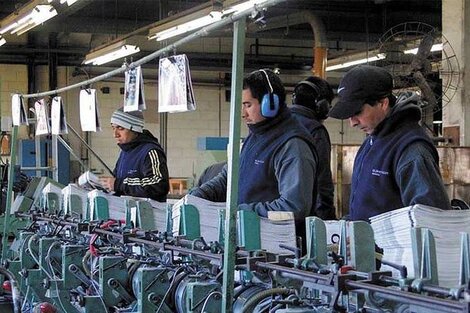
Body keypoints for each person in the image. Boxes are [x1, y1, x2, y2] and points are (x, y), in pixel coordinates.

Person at [190, 69, 319, 244]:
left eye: (248, 105)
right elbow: (229, 176)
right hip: (249, 241)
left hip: (276, 250)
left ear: (270, 104)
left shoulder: (292, 145)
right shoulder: (256, 135)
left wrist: (241, 212)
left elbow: (293, 207)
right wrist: (197, 197)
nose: (243, 113)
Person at [328, 65, 451, 222]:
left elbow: (430, 219)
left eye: (357, 112)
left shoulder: (411, 150)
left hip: (393, 246)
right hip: (366, 245)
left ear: (383, 103)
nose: (352, 123)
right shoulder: (371, 143)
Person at [100, 108, 170, 202]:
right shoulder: (125, 152)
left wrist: (118, 185)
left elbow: (158, 185)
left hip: (148, 213)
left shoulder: (151, 151)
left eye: (121, 128)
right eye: (113, 128)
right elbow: (117, 182)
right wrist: (104, 186)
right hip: (125, 211)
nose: (115, 134)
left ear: (135, 129)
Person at [290, 76, 336, 220]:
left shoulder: (276, 125)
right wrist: (327, 219)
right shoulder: (315, 131)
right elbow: (322, 180)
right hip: (305, 217)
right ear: (321, 105)